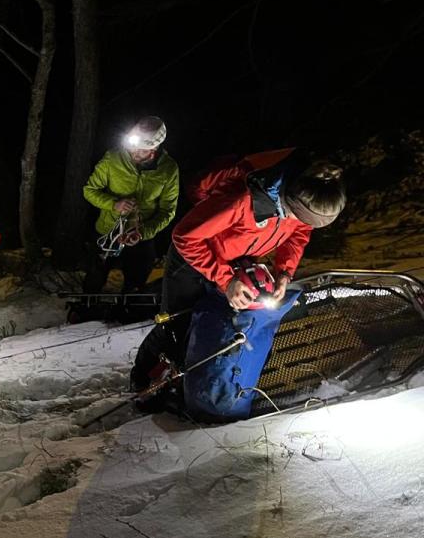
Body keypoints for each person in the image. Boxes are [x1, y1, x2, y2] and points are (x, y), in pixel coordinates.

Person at [133, 156, 346, 395]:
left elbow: (298, 235)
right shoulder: (241, 201)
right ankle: (140, 381)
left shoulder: (302, 205)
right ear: (288, 203)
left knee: (219, 322)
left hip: (238, 258)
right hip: (194, 256)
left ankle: (194, 380)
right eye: (301, 219)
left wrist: (284, 272)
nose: (303, 224)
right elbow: (185, 237)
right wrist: (225, 280)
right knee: (177, 322)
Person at [81, 116, 180, 295]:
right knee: (95, 276)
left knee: (137, 279)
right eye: (132, 144)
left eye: (140, 149)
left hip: (140, 235)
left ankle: (127, 312)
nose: (133, 151)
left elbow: (168, 210)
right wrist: (113, 204)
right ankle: (84, 310)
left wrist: (143, 232)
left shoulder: (168, 169)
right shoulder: (113, 158)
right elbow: (90, 190)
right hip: (108, 230)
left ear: (153, 149)